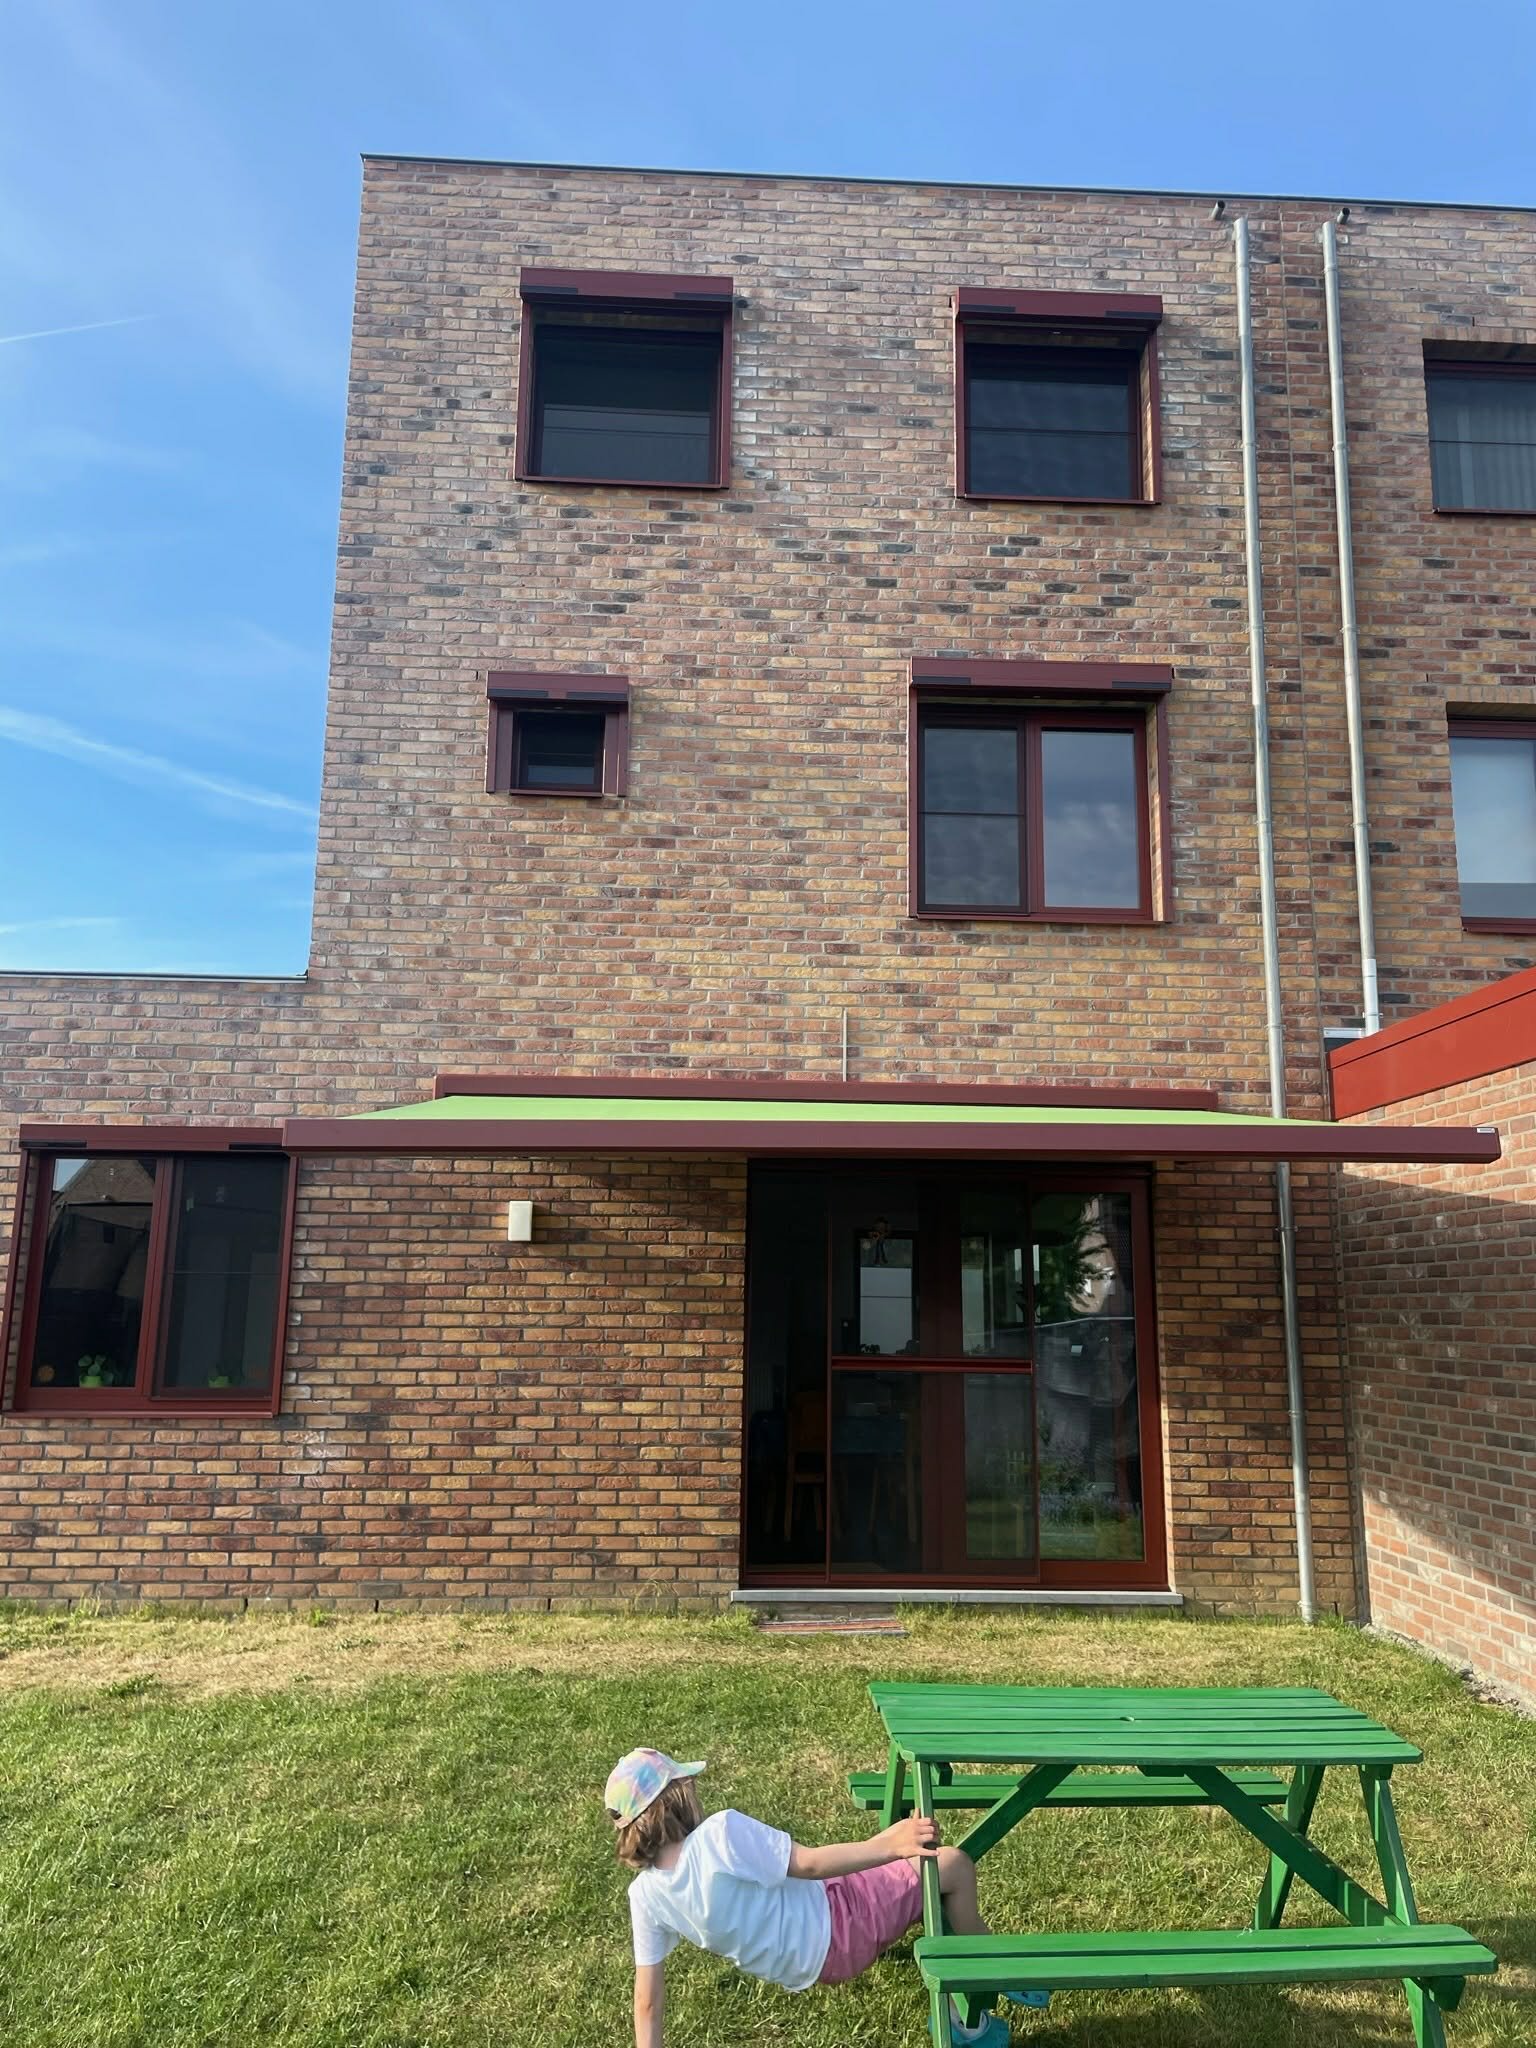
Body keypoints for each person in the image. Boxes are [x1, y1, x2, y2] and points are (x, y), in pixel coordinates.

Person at [606, 1747, 1048, 2047]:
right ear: (679, 1797)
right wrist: (892, 1841)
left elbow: (646, 2000)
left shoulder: (645, 1895)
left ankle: (945, 1939)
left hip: (811, 1962)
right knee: (952, 1866)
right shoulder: (720, 1835)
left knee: (905, 1884)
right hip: (839, 1926)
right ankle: (985, 1989)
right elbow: (810, 1864)